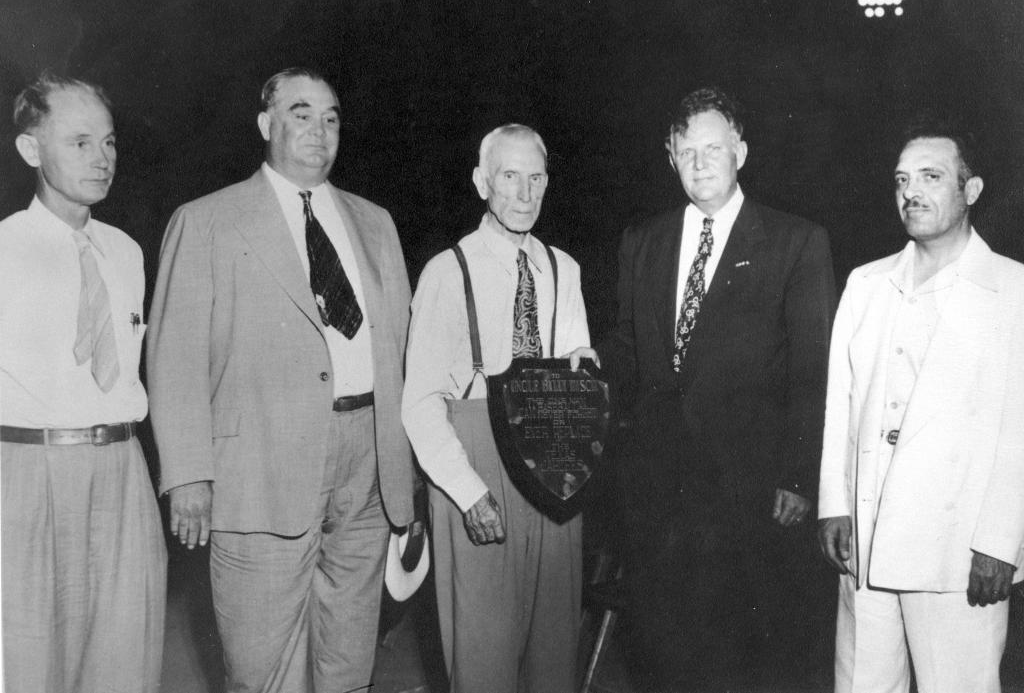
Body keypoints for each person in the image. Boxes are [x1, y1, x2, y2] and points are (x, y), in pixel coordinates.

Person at [147, 67, 416, 692]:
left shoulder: (375, 223)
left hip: (369, 464)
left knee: (350, 663)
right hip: (259, 470)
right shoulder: (207, 220)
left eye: (330, 118)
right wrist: (188, 473)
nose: (318, 130)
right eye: (300, 113)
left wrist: (407, 467)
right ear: (267, 124)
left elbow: (400, 349)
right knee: (263, 668)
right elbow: (175, 358)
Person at [597, 86, 837, 690]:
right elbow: (630, 347)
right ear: (670, 158)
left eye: (713, 148)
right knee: (665, 653)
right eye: (686, 151)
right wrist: (588, 358)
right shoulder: (642, 241)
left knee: (746, 659)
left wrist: (801, 476)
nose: (700, 163)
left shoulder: (796, 241)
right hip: (659, 494)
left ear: (742, 152)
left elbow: (815, 371)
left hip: (752, 493)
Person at [818, 116, 1024, 693]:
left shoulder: (1012, 290)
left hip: (956, 555)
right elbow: (843, 401)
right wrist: (835, 503)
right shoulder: (866, 283)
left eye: (932, 177)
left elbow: (1019, 431)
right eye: (902, 179)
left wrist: (1000, 544)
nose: (911, 192)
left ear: (971, 190)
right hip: (866, 541)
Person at [402, 124, 592, 693]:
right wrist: (466, 490)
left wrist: (585, 362)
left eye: (536, 178)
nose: (524, 193)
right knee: (483, 660)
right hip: (476, 461)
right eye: (510, 176)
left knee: (554, 657)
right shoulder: (446, 270)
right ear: (482, 182)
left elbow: (575, 365)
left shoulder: (564, 268)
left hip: (555, 462)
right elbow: (419, 403)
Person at [0, 72, 166, 693]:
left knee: (124, 658)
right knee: (30, 662)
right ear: (31, 150)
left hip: (121, 469)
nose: (102, 159)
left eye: (110, 142)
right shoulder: (5, 250)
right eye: (79, 143)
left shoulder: (125, 252)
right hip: (25, 471)